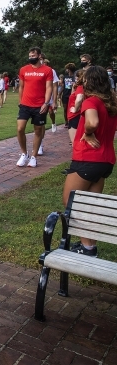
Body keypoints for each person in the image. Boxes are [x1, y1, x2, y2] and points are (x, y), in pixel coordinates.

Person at [62, 66, 117, 257]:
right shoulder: (111, 103)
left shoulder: (91, 101)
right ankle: (89, 245)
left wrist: (87, 132)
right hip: (105, 161)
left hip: (88, 158)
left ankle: (87, 248)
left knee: (71, 202)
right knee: (91, 204)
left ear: (89, 82)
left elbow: (92, 122)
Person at [16, 47, 53, 168]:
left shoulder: (47, 70)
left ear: (39, 56)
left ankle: (33, 157)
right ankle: (23, 153)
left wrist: (46, 103)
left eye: (33, 56)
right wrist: (20, 101)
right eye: (30, 56)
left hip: (40, 105)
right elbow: (21, 86)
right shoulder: (23, 69)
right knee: (20, 128)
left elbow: (49, 88)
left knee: (38, 131)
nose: (31, 58)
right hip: (25, 104)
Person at [67, 69, 86, 145]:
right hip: (78, 115)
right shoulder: (81, 87)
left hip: (75, 115)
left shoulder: (80, 88)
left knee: (75, 142)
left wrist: (75, 109)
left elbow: (79, 98)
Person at [61, 63, 76, 128]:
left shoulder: (75, 77)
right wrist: (59, 93)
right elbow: (63, 86)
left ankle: (71, 121)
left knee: (72, 109)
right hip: (65, 95)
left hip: (72, 95)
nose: (66, 70)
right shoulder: (65, 77)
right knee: (65, 109)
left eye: (67, 69)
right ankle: (66, 122)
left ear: (69, 69)